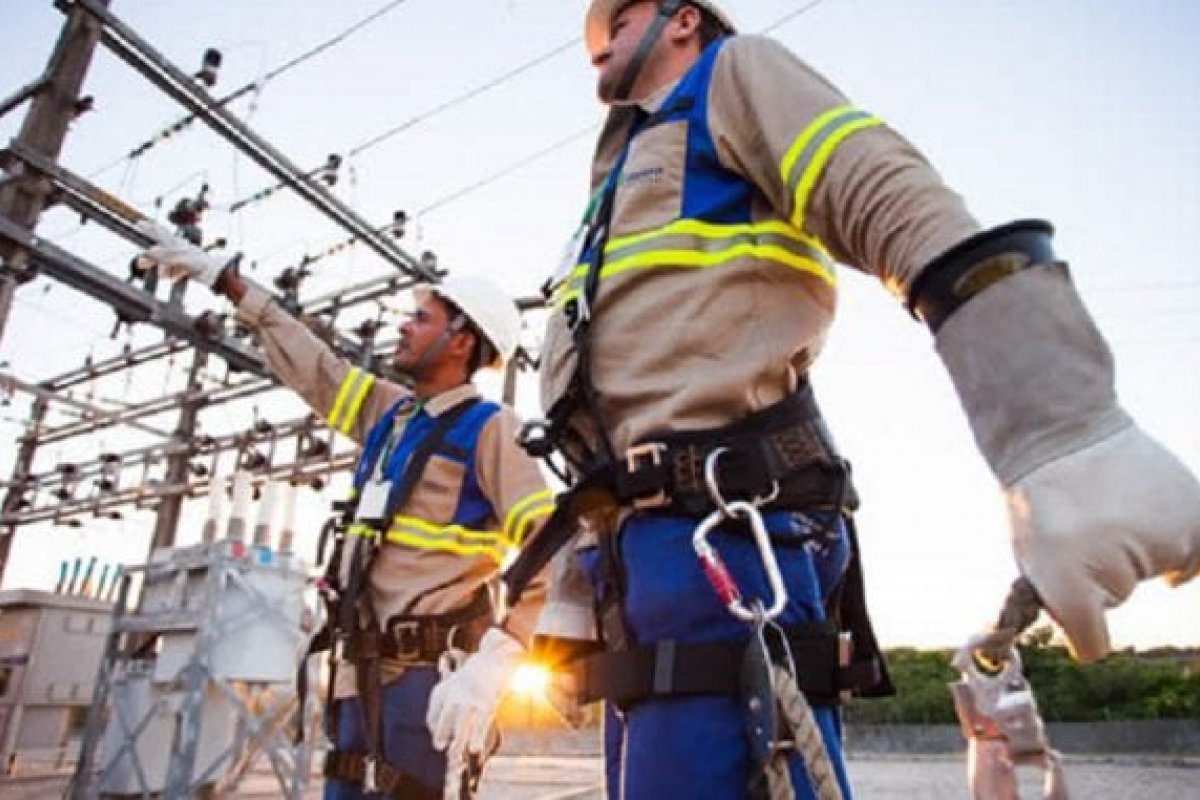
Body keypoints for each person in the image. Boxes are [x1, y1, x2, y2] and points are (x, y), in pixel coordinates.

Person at [506, 1, 1200, 798]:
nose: (596, 44)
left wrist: (1058, 417)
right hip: (642, 554)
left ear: (683, 19)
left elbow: (882, 191)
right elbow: (617, 407)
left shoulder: (735, 75)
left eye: (615, 22)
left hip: (725, 531)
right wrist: (572, 582)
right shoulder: (619, 180)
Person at [135, 229, 554, 800]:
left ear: (462, 341)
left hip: (425, 681)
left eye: (422, 318)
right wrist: (229, 283)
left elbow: (551, 542)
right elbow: (316, 366)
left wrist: (503, 656)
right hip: (357, 675)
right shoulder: (389, 414)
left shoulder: (490, 429)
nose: (404, 326)